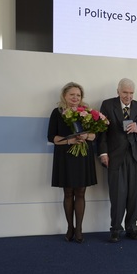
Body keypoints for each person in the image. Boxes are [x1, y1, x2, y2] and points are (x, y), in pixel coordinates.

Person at [97, 78, 137, 243]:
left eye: (131, 93)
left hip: (136, 157)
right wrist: (103, 153)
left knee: (134, 195)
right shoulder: (107, 105)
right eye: (125, 92)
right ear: (118, 91)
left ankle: (132, 227)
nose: (128, 96)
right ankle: (115, 229)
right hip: (114, 157)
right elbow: (102, 132)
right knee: (117, 195)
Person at [47, 82, 97, 243]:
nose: (75, 98)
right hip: (65, 156)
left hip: (83, 157)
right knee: (68, 193)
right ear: (64, 96)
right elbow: (52, 138)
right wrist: (68, 142)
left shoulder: (87, 112)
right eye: (72, 95)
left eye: (78, 95)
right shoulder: (57, 112)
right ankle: (70, 227)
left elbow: (94, 136)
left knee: (81, 192)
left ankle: (80, 229)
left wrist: (85, 136)